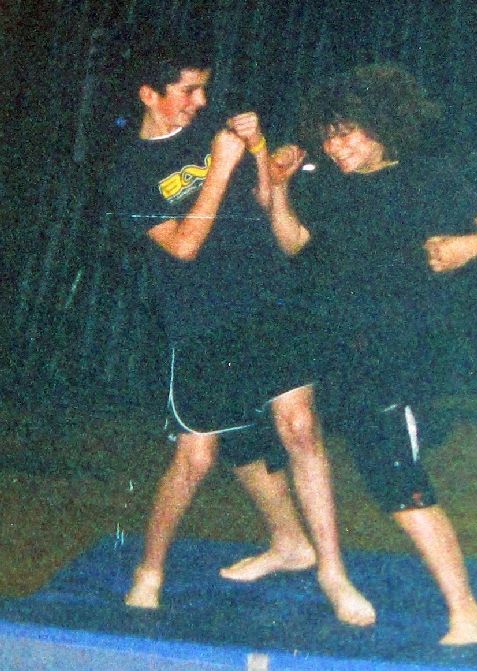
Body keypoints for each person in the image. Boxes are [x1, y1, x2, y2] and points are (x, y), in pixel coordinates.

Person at [221, 63, 477, 645]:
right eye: (330, 137)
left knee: (397, 483)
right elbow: (297, 244)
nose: (337, 148)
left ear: (383, 126)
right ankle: (298, 550)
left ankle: (468, 615)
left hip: (387, 357)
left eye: (350, 134)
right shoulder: (326, 183)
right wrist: (278, 190)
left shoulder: (427, 179)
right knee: (249, 435)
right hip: (320, 339)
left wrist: (475, 244)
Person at [110, 42, 375, 627]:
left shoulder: (213, 133)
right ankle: (149, 571)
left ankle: (333, 572)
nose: (200, 101)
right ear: (149, 95)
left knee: (300, 428)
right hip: (203, 320)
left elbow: (259, 199)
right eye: (187, 90)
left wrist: (260, 154)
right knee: (198, 457)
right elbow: (184, 245)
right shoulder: (129, 174)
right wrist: (222, 166)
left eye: (203, 88)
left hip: (268, 300)